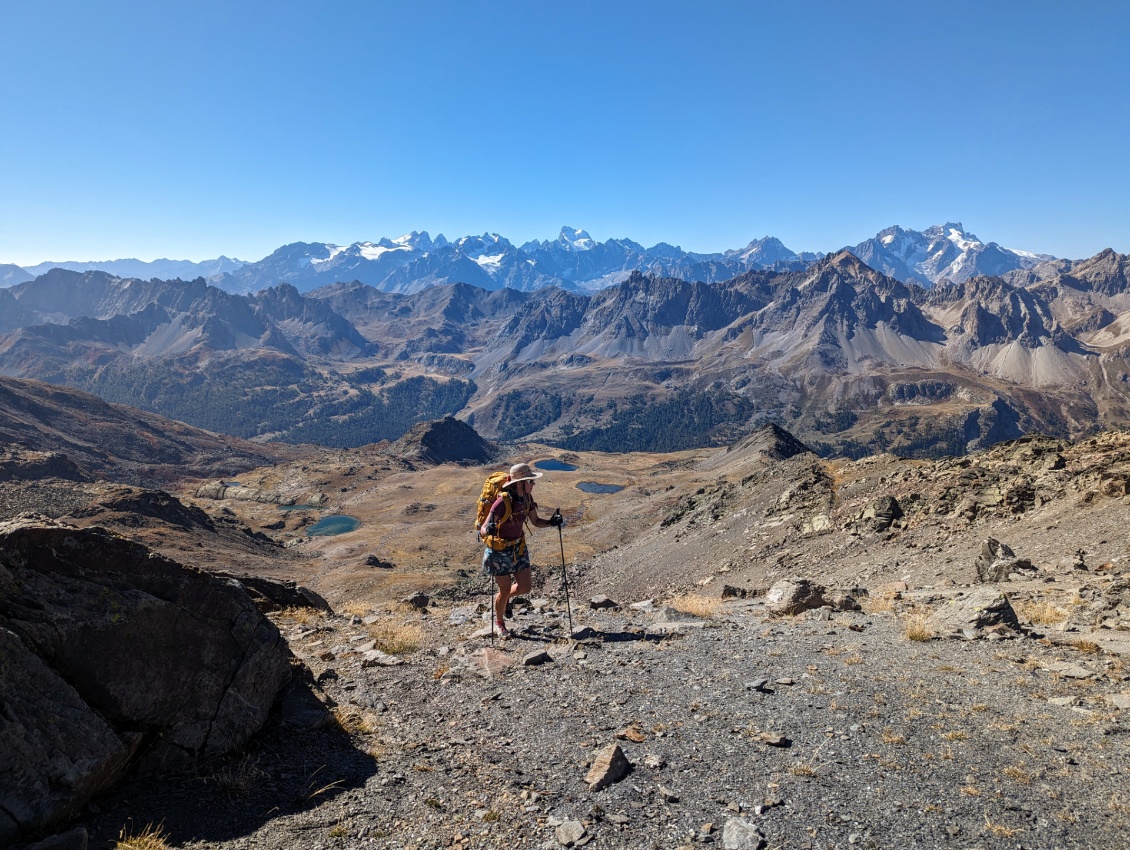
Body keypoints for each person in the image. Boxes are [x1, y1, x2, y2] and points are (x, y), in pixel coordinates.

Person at [479, 462, 562, 637]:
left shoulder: (527, 500)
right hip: (499, 550)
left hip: (518, 547)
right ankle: (500, 623)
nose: (533, 484)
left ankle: (504, 599)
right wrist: (489, 529)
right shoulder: (502, 502)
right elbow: (483, 528)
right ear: (520, 483)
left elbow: (536, 522)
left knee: (525, 587)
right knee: (504, 589)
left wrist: (552, 522)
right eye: (530, 481)